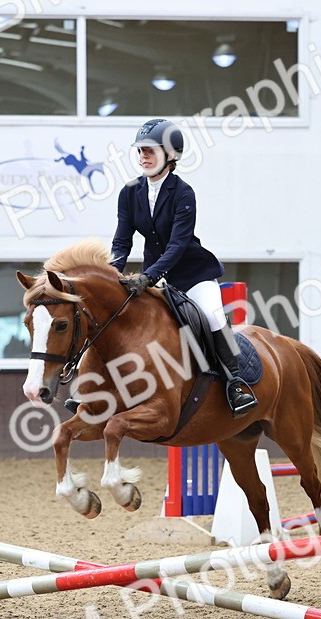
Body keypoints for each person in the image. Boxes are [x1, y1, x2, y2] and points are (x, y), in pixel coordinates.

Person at [111, 118, 258, 417]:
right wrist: (112, 272)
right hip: (154, 277)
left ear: (171, 155)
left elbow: (177, 246)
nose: (143, 156)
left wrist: (149, 276)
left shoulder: (183, 192)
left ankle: (236, 383)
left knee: (213, 317)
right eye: (140, 151)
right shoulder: (129, 192)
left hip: (192, 275)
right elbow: (121, 241)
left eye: (151, 150)